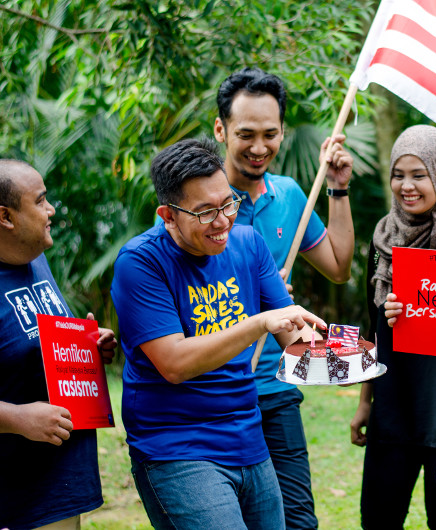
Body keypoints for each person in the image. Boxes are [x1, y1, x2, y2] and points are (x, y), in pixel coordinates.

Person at [110, 138, 326, 529]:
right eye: (206, 212)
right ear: (168, 215)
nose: (224, 220)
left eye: (228, 203)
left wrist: (352, 357)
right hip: (177, 448)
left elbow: (296, 339)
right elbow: (174, 363)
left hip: (248, 439)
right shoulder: (140, 262)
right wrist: (257, 322)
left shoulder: (247, 244)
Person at [213, 67, 354, 530]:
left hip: (276, 388)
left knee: (298, 520)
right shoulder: (203, 201)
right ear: (221, 130)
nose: (259, 147)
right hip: (216, 389)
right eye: (245, 134)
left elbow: (337, 267)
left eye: (270, 134)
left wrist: (336, 187)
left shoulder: (290, 194)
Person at [349, 125, 436, 529]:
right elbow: (372, 325)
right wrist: (364, 402)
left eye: (419, 175)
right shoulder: (385, 237)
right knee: (378, 518)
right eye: (399, 174)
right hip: (392, 407)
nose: (406, 185)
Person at [0, 159, 116, 529]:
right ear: (6, 217)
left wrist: (90, 347)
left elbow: (35, 344)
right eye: (40, 200)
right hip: (14, 490)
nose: (51, 210)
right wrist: (17, 419)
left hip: (58, 478)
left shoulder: (36, 260)